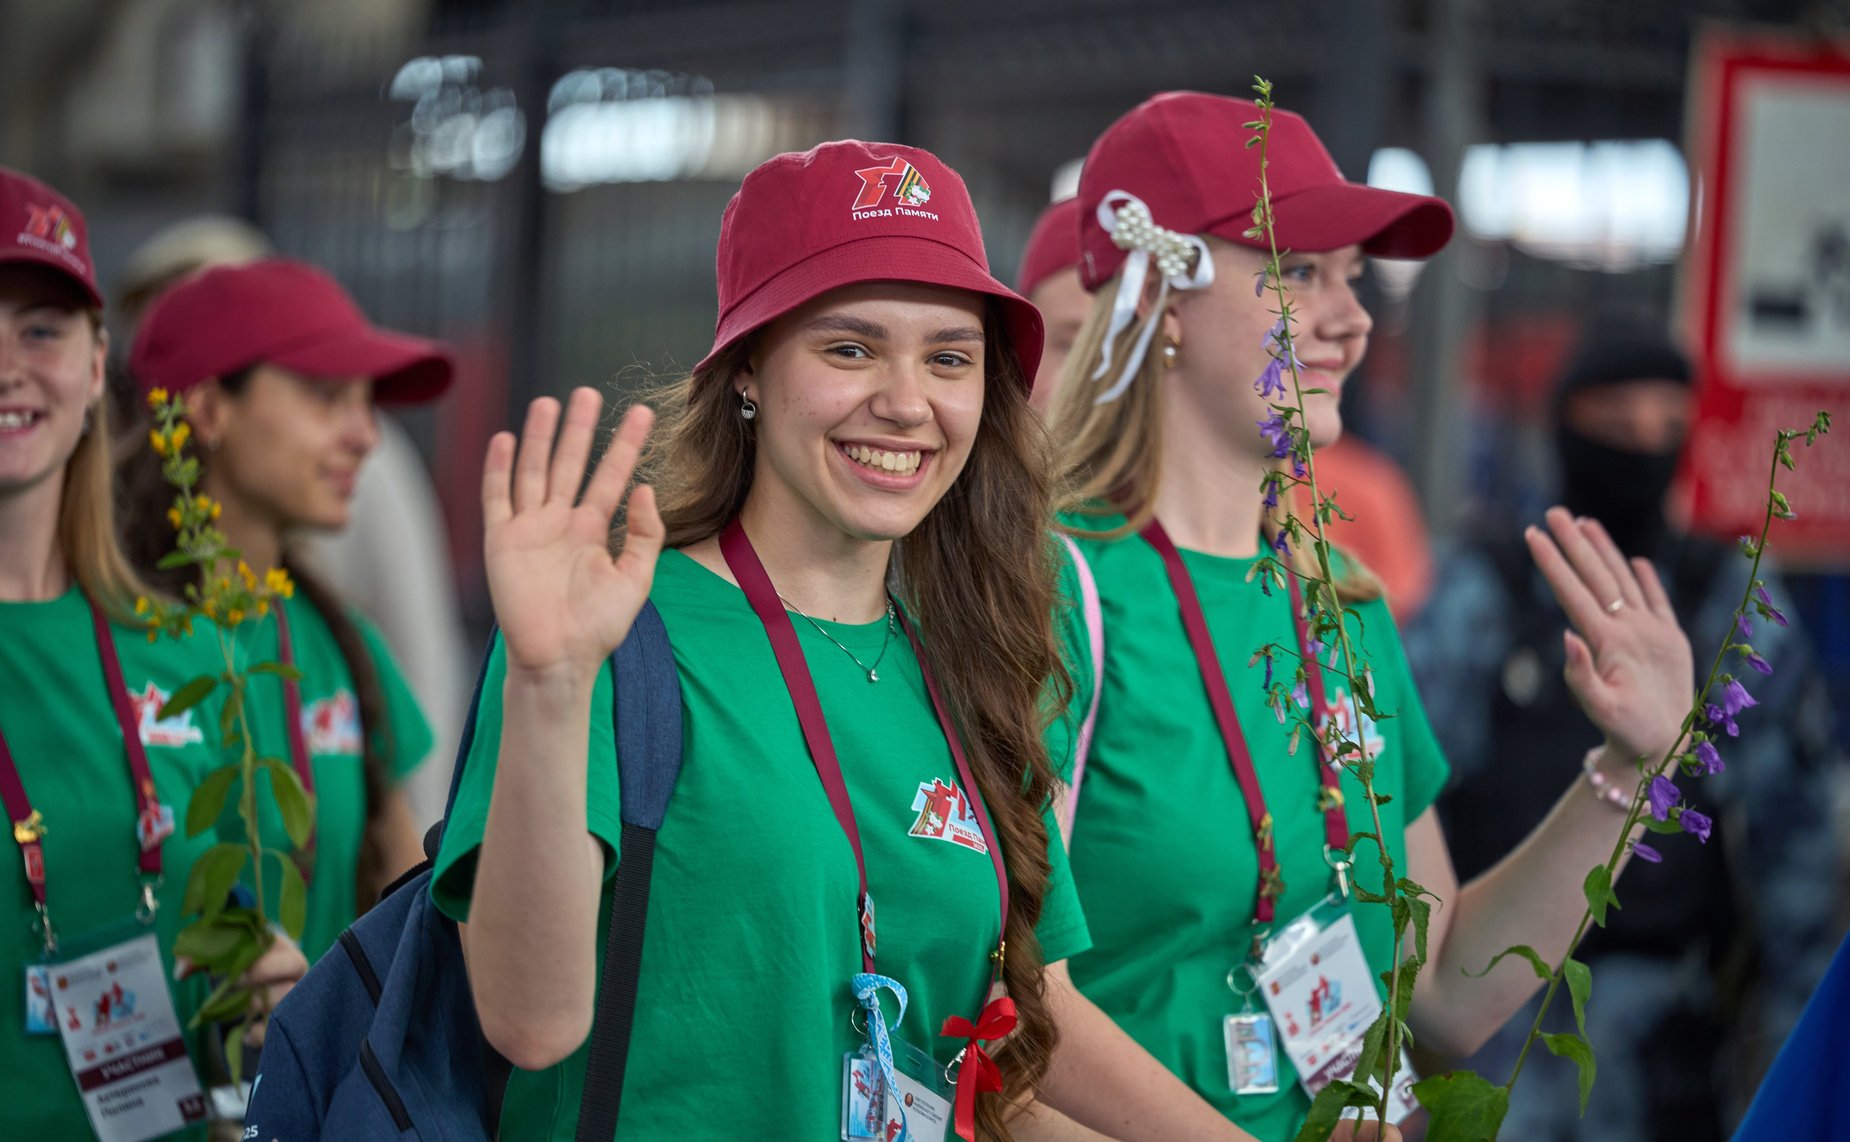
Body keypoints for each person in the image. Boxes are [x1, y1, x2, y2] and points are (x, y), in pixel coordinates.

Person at [436, 139, 1391, 1142]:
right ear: (748, 371)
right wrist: (546, 682)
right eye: (849, 348)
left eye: (948, 357)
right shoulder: (611, 630)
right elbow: (527, 1022)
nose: (904, 401)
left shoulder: (973, 657)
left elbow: (998, 1058)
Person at [1045, 92, 1697, 1140]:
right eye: (1296, 271)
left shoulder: (1335, 596)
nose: (1351, 319)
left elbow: (1438, 983)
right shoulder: (1048, 588)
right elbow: (1012, 1003)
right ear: (1161, 294)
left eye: (1350, 277)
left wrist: (1628, 767)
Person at [1404, 321, 1841, 1139]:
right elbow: (1400, 793)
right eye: (1614, 428)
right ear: (1566, 427)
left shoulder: (1730, 603)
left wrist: (1791, 1062)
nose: (1641, 449)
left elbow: (1798, 845)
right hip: (1491, 1017)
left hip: (1665, 1030)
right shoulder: (1486, 584)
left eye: (1665, 430)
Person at [0, 167, 304, 1139]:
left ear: (97, 368)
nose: (6, 363)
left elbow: (228, 911)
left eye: (40, 327)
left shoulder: (181, 650)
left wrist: (261, 977)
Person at [121, 259, 451, 963]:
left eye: (368, 401)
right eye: (327, 395)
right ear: (208, 412)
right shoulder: (96, 633)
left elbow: (414, 922)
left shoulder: (340, 639)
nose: (366, 434)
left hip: (318, 1076)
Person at [1017, 193, 1435, 619]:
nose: (1118, 367)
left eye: (1140, 334)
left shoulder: (1360, 521)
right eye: (1076, 343)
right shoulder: (1021, 566)